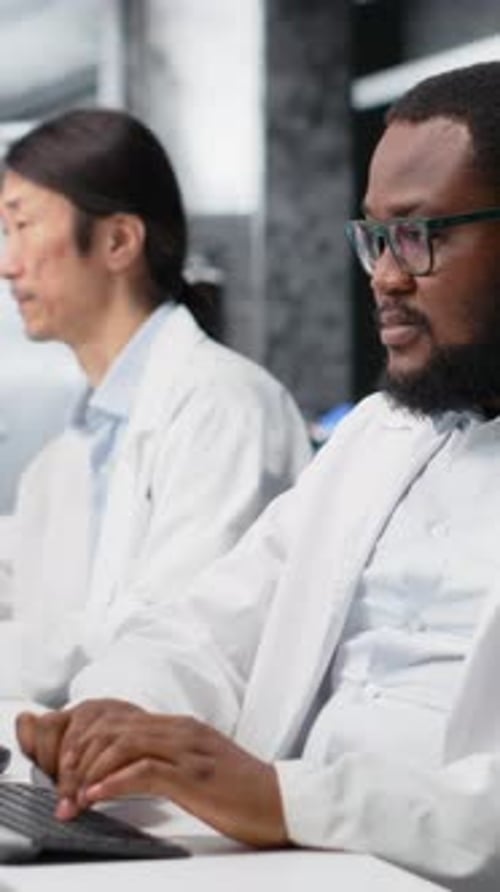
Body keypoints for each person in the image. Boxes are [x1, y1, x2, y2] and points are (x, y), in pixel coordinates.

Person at [17, 61, 500, 891]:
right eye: (374, 238)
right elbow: (209, 623)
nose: (385, 276)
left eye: (421, 235)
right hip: (302, 859)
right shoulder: (382, 436)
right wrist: (121, 710)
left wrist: (282, 796)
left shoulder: (228, 406)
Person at [0, 108, 311, 706]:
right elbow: (33, 585)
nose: (9, 264)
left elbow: (175, 642)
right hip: (86, 777)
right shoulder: (77, 447)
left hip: (179, 788)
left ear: (118, 240)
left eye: (23, 226)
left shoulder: (224, 409)